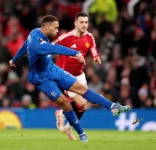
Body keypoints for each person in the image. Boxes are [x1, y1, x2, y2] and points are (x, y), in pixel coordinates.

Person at [9, 15, 130, 142]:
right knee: (65, 103)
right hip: (41, 78)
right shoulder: (37, 43)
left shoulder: (34, 32)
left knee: (81, 88)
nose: (57, 31)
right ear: (47, 26)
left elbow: (24, 46)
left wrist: (14, 59)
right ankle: (81, 133)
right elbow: (55, 48)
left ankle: (113, 106)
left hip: (52, 69)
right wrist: (75, 52)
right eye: (55, 28)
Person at [53, 12, 101, 140]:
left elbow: (93, 50)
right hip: (66, 75)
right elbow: (50, 46)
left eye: (86, 22)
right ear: (75, 23)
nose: (84, 25)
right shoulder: (66, 37)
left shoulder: (89, 37)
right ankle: (63, 114)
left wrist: (96, 58)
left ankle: (67, 125)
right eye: (81, 22)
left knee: (84, 105)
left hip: (80, 75)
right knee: (80, 101)